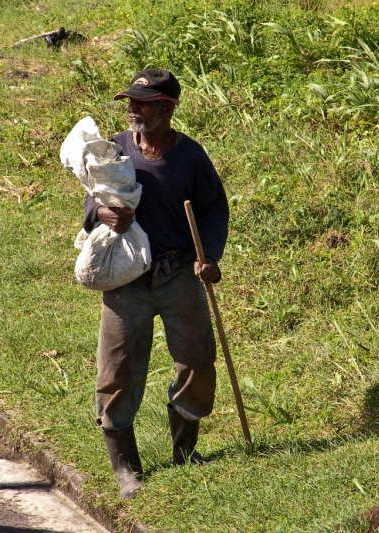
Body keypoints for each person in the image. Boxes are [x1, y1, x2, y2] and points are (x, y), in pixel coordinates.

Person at [82, 69, 229, 499]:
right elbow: (92, 205)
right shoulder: (115, 151)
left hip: (179, 273)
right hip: (126, 280)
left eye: (142, 103)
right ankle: (126, 469)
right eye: (129, 101)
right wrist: (103, 215)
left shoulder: (191, 157)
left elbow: (214, 211)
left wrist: (210, 258)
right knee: (117, 370)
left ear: (167, 107)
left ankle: (185, 451)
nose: (132, 109)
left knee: (198, 361)